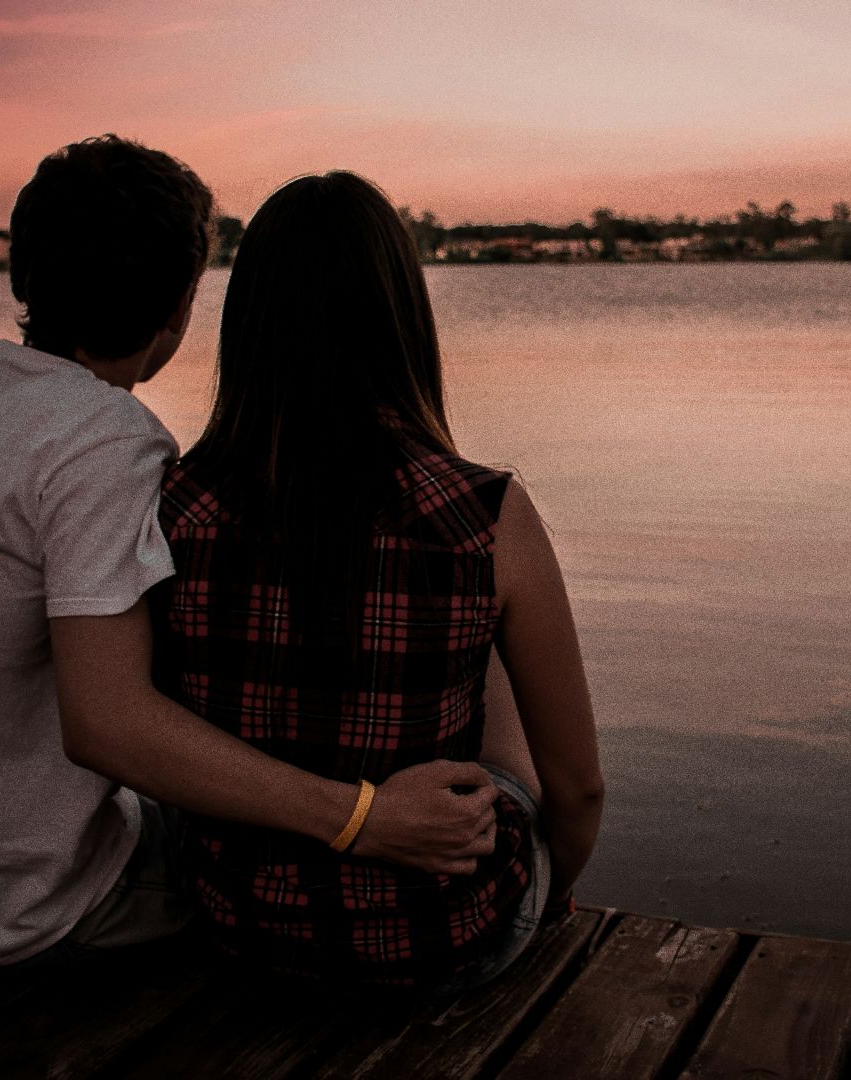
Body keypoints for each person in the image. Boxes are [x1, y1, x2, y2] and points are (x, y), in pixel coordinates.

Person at [0, 137, 501, 967]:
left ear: (23, 277)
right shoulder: (107, 442)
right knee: (257, 857)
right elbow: (108, 727)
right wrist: (361, 818)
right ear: (180, 308)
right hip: (8, 907)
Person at [152, 171, 605, 993]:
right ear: (402, 316)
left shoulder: (174, 506)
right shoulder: (485, 512)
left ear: (247, 323)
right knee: (488, 637)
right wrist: (548, 892)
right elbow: (578, 792)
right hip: (439, 939)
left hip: (238, 929)